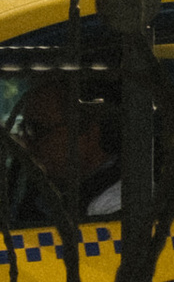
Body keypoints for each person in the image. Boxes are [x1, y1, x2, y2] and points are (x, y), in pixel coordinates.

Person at [18, 73, 122, 223]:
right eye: (23, 128)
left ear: (88, 132)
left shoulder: (118, 203)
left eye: (37, 130)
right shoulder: (33, 189)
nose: (26, 142)